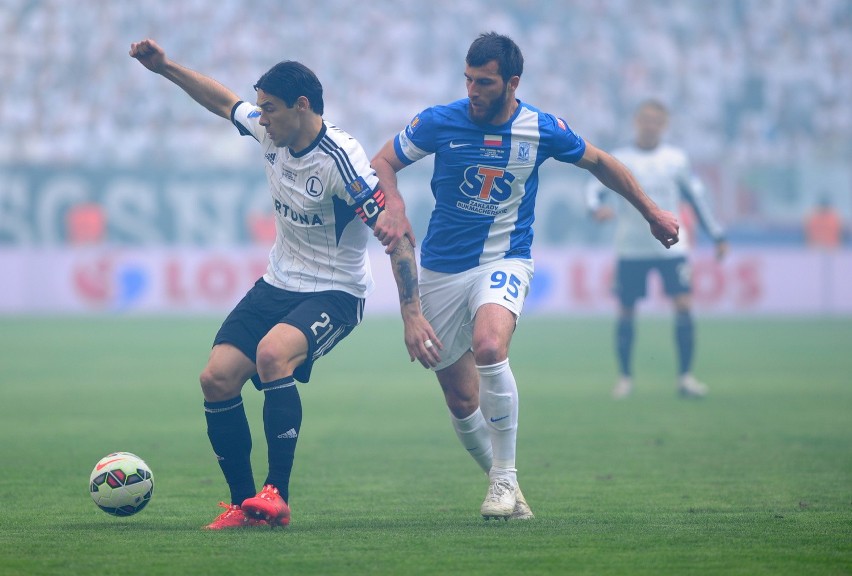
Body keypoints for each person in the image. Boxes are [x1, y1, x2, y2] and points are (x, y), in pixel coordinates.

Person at [129, 39, 437, 530]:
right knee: (216, 378)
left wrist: (411, 312)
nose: (261, 117)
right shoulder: (271, 132)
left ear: (302, 106)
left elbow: (399, 239)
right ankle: (242, 505)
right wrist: (164, 68)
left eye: (269, 108)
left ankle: (277, 495)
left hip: (336, 291)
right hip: (279, 281)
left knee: (273, 355)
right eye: (261, 109)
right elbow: (222, 101)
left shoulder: (342, 162)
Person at [371, 32, 680, 520]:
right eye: (468, 79)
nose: (473, 90)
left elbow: (600, 162)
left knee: (491, 347)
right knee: (459, 396)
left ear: (512, 82)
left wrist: (651, 211)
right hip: (441, 270)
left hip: (504, 258)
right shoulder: (438, 120)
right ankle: (504, 486)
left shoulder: (542, 129)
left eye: (485, 82)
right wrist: (396, 202)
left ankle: (505, 478)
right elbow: (384, 160)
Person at [585, 99, 727, 400]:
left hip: (672, 247)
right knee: (626, 310)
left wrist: (717, 235)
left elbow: (697, 199)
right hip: (631, 247)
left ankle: (685, 378)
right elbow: (593, 189)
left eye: (656, 121)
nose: (650, 125)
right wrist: (596, 209)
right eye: (645, 119)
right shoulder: (620, 157)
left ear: (664, 125)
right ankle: (624, 378)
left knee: (684, 305)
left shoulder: (676, 159)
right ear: (636, 121)